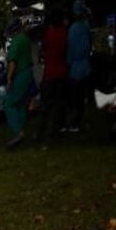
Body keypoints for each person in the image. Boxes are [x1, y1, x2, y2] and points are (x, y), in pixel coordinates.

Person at [36, 8, 70, 142]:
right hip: (61, 72)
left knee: (45, 106)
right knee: (58, 104)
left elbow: (43, 51)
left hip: (49, 73)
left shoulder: (48, 34)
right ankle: (55, 131)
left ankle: (42, 133)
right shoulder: (64, 33)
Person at [4, 18, 33, 149]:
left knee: (9, 104)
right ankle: (21, 133)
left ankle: (18, 132)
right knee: (21, 104)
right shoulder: (26, 39)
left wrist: (9, 79)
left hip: (20, 74)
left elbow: (12, 62)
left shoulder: (16, 42)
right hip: (28, 73)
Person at [66, 0, 92, 133]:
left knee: (76, 99)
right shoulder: (86, 26)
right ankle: (83, 121)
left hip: (76, 68)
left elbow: (70, 51)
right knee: (83, 97)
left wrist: (68, 65)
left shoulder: (72, 30)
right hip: (86, 65)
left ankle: (76, 122)